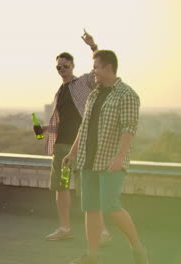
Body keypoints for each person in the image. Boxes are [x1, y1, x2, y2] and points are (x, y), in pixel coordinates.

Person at [63, 50, 149, 264]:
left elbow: (129, 129)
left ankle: (138, 248)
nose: (93, 72)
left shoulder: (127, 94)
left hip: (111, 160)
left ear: (108, 68)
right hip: (88, 158)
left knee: (110, 205)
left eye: (96, 68)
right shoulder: (94, 94)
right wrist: (72, 153)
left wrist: (120, 157)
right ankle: (92, 256)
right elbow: (84, 127)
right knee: (90, 207)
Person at [43, 30, 112, 244]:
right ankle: (65, 228)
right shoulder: (59, 92)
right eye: (58, 67)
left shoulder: (83, 83)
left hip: (82, 147)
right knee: (62, 187)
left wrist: (93, 46)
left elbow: (100, 71)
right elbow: (64, 119)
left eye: (65, 66)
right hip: (63, 149)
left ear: (73, 66)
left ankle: (102, 231)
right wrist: (46, 129)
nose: (62, 69)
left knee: (88, 188)